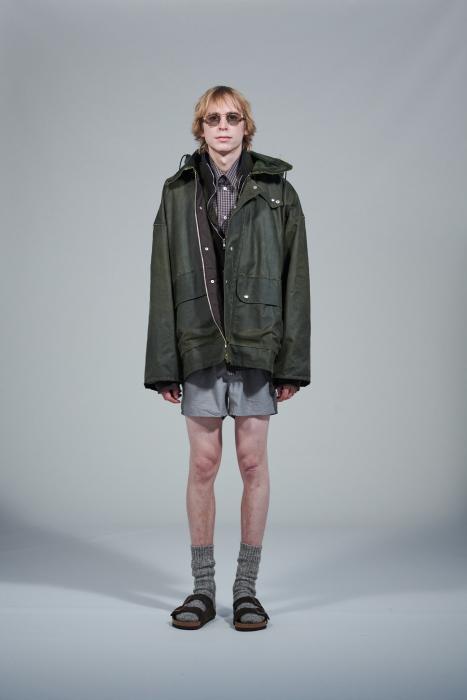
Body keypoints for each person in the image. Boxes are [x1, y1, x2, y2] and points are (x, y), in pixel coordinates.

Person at [144, 85, 311, 631]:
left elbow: (296, 280)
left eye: (232, 118)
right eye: (213, 118)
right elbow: (162, 280)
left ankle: (246, 590)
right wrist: (163, 363)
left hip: (258, 342)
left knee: (253, 464)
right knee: (203, 465)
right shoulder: (177, 193)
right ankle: (202, 588)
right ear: (201, 128)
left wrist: (291, 363)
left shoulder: (278, 192)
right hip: (198, 343)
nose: (223, 127)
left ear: (246, 127)